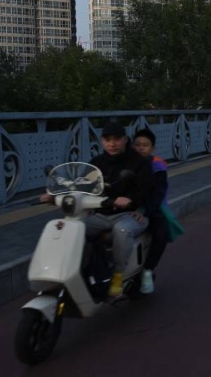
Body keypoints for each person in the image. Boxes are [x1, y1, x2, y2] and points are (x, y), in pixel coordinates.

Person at [63, 122, 153, 298]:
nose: (112, 144)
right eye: (107, 140)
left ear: (125, 140)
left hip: (130, 215)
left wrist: (131, 199)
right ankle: (75, 271)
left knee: (122, 230)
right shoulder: (97, 163)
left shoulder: (139, 163)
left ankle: (118, 276)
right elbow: (82, 185)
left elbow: (147, 189)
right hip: (102, 215)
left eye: (117, 139)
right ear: (102, 141)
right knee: (73, 227)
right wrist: (54, 195)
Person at [131, 128, 169, 294]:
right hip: (127, 205)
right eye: (137, 144)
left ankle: (147, 270)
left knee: (162, 234)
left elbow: (158, 192)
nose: (140, 148)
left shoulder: (158, 165)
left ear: (152, 148)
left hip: (152, 207)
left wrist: (145, 210)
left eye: (145, 145)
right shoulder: (126, 162)